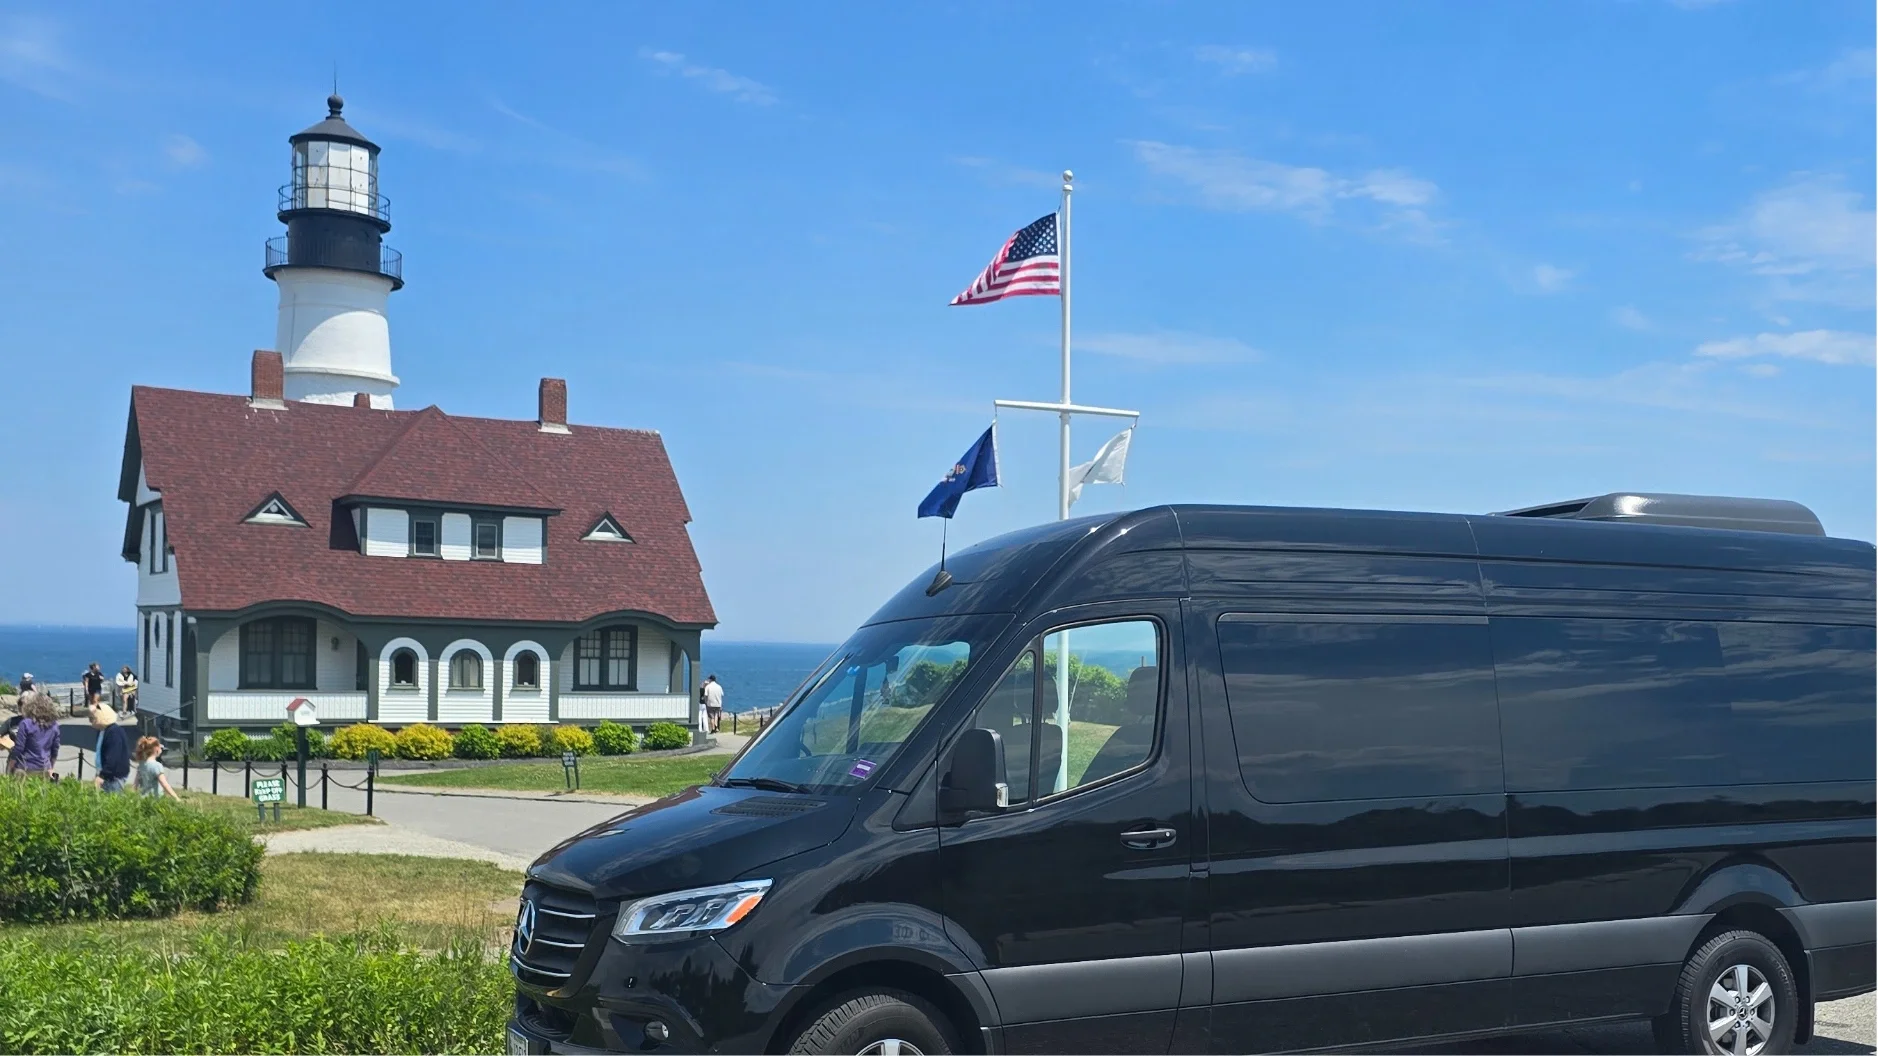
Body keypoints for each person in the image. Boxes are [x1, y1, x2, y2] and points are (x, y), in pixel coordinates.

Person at [7, 691, 61, 778]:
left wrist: (11, 763)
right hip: (44, 767)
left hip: (25, 766)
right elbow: (55, 749)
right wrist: (51, 767)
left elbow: (19, 747)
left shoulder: (25, 723)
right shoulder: (54, 725)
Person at [90, 703, 130, 793]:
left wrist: (102, 776)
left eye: (93, 718)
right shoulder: (102, 731)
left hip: (114, 777)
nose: (91, 722)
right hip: (105, 773)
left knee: (113, 802)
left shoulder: (114, 733)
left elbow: (113, 757)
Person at [132, 737, 181, 801]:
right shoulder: (157, 766)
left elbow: (135, 784)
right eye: (160, 747)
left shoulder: (141, 765)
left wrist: (132, 798)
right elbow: (164, 784)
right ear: (156, 749)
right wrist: (176, 798)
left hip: (143, 799)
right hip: (155, 799)